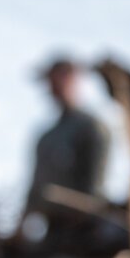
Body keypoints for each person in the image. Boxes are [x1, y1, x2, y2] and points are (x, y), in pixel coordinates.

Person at [25, 55, 109, 223]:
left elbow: (93, 193)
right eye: (50, 81)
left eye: (60, 78)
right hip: (49, 229)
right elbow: (34, 190)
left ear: (74, 80)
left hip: (82, 230)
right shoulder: (47, 138)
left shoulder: (91, 128)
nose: (53, 87)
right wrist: (23, 221)